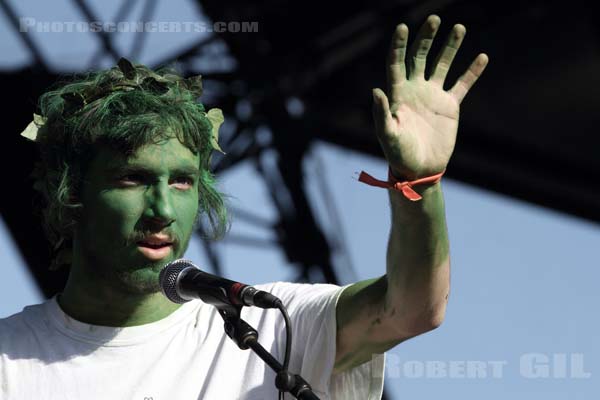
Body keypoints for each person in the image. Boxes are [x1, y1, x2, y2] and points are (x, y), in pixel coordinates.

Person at [0, 15, 487, 399]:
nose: (162, 208)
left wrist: (418, 183)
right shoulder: (9, 359)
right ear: (71, 192)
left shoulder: (274, 323)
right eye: (133, 179)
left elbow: (412, 310)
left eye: (184, 182)